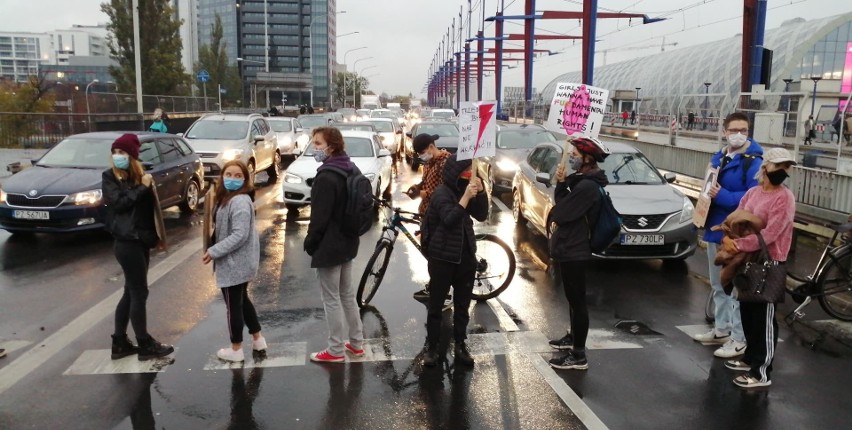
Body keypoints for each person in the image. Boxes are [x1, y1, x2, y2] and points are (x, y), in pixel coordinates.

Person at [720, 148, 796, 389]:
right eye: (777, 166)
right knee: (748, 313)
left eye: (786, 167)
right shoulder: (753, 192)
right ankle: (750, 358)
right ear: (764, 168)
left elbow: (772, 233)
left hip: (769, 261)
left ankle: (761, 371)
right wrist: (729, 236)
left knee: (764, 318)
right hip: (746, 260)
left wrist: (738, 244)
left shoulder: (784, 198)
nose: (782, 171)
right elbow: (735, 217)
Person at [692, 112, 763, 359]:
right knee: (718, 284)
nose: (738, 134)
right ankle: (721, 329)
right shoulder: (720, 156)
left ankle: (738, 337)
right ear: (725, 131)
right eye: (733, 130)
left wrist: (722, 197)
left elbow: (753, 197)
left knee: (735, 288)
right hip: (716, 228)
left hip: (737, 233)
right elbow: (708, 189)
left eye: (743, 129)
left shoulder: (753, 160)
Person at [102, 133, 174, 361]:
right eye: (115, 152)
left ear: (132, 156)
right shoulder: (109, 177)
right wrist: (142, 188)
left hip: (140, 240)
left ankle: (120, 342)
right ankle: (144, 343)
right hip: (126, 242)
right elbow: (119, 204)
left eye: (122, 152)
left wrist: (157, 237)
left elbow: (150, 213)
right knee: (139, 292)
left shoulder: (140, 177)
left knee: (130, 291)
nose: (117, 156)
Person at [420, 154, 489, 367]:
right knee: (436, 305)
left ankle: (460, 344)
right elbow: (449, 219)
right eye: (466, 170)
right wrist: (466, 197)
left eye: (472, 170)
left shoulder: (466, 189)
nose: (470, 174)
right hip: (442, 258)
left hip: (465, 258)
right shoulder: (442, 193)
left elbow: (481, 214)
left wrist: (482, 192)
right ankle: (432, 346)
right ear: (455, 173)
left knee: (462, 306)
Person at [546, 137, 609, 371]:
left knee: (578, 301)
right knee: (573, 299)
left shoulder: (587, 187)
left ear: (586, 158)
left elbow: (561, 213)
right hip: (571, 246)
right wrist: (562, 183)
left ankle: (579, 355)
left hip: (576, 249)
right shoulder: (582, 182)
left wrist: (557, 210)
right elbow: (563, 202)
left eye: (574, 153)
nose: (571, 156)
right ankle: (573, 338)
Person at [304, 126, 364, 363]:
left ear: (332, 146)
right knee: (347, 295)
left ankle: (336, 350)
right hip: (349, 241)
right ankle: (357, 343)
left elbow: (319, 218)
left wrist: (311, 243)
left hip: (330, 245)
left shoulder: (327, 176)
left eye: (318, 143)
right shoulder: (350, 167)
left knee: (331, 299)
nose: (314, 148)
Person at [202, 160, 267, 363]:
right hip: (239, 260)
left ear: (245, 179)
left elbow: (240, 234)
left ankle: (236, 349)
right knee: (241, 300)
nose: (232, 178)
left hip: (235, 262)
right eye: (228, 174)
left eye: (238, 176)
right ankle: (258, 339)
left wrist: (214, 251)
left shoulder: (239, 201)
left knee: (233, 306)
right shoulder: (229, 197)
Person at [408, 133, 451, 306]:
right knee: (430, 254)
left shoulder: (446, 162)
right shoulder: (428, 164)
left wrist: (423, 194)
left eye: (423, 152)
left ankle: (442, 291)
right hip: (426, 213)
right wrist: (416, 188)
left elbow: (446, 191)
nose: (421, 156)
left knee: (436, 256)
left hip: (439, 215)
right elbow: (425, 183)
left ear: (432, 147)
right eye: (419, 154)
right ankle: (435, 286)